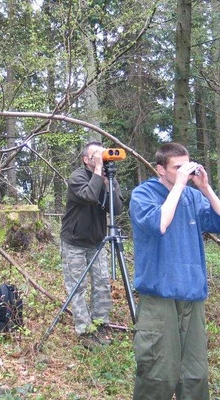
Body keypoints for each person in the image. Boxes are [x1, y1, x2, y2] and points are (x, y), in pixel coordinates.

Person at [129, 142, 220, 400]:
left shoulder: (193, 196)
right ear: (160, 169)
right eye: (177, 168)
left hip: (192, 295)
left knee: (195, 375)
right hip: (159, 296)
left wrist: (205, 188)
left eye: (186, 167)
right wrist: (178, 186)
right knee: (158, 374)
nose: (184, 173)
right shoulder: (143, 194)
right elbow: (159, 224)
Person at [60, 141, 124, 349]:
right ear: (86, 159)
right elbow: (88, 196)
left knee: (102, 284)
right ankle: (85, 330)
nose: (101, 158)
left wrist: (108, 183)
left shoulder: (108, 176)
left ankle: (100, 323)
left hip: (97, 241)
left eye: (102, 154)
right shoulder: (77, 177)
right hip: (74, 241)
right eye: (96, 155)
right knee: (77, 286)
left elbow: (118, 208)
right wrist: (98, 172)